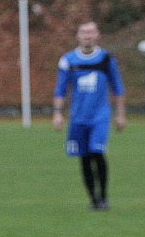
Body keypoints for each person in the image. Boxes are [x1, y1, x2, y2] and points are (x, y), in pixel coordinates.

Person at [53, 21, 125, 211]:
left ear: (97, 35)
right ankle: (93, 199)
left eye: (91, 32)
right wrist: (58, 114)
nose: (87, 36)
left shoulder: (106, 59)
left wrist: (120, 114)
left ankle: (104, 196)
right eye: (84, 32)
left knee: (97, 152)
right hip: (77, 117)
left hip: (100, 116)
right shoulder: (68, 60)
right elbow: (60, 89)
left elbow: (117, 87)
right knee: (83, 157)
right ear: (78, 36)